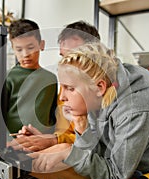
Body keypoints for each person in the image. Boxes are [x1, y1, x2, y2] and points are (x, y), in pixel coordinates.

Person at [28, 42, 149, 179]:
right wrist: (82, 128)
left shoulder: (135, 110)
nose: (62, 97)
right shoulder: (101, 92)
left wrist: (69, 151)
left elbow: (116, 175)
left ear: (100, 87)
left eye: (70, 88)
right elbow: (102, 154)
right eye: (62, 86)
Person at [8, 21, 100, 151]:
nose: (66, 64)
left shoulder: (104, 92)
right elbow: (63, 132)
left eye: (74, 56)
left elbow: (97, 145)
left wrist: (54, 141)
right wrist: (43, 138)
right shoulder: (65, 88)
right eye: (63, 56)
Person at [3, 19, 58, 134]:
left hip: (43, 143)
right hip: (13, 143)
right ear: (13, 49)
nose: (25, 54)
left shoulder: (51, 79)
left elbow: (53, 115)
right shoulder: (7, 77)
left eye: (30, 47)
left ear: (41, 45)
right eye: (19, 49)